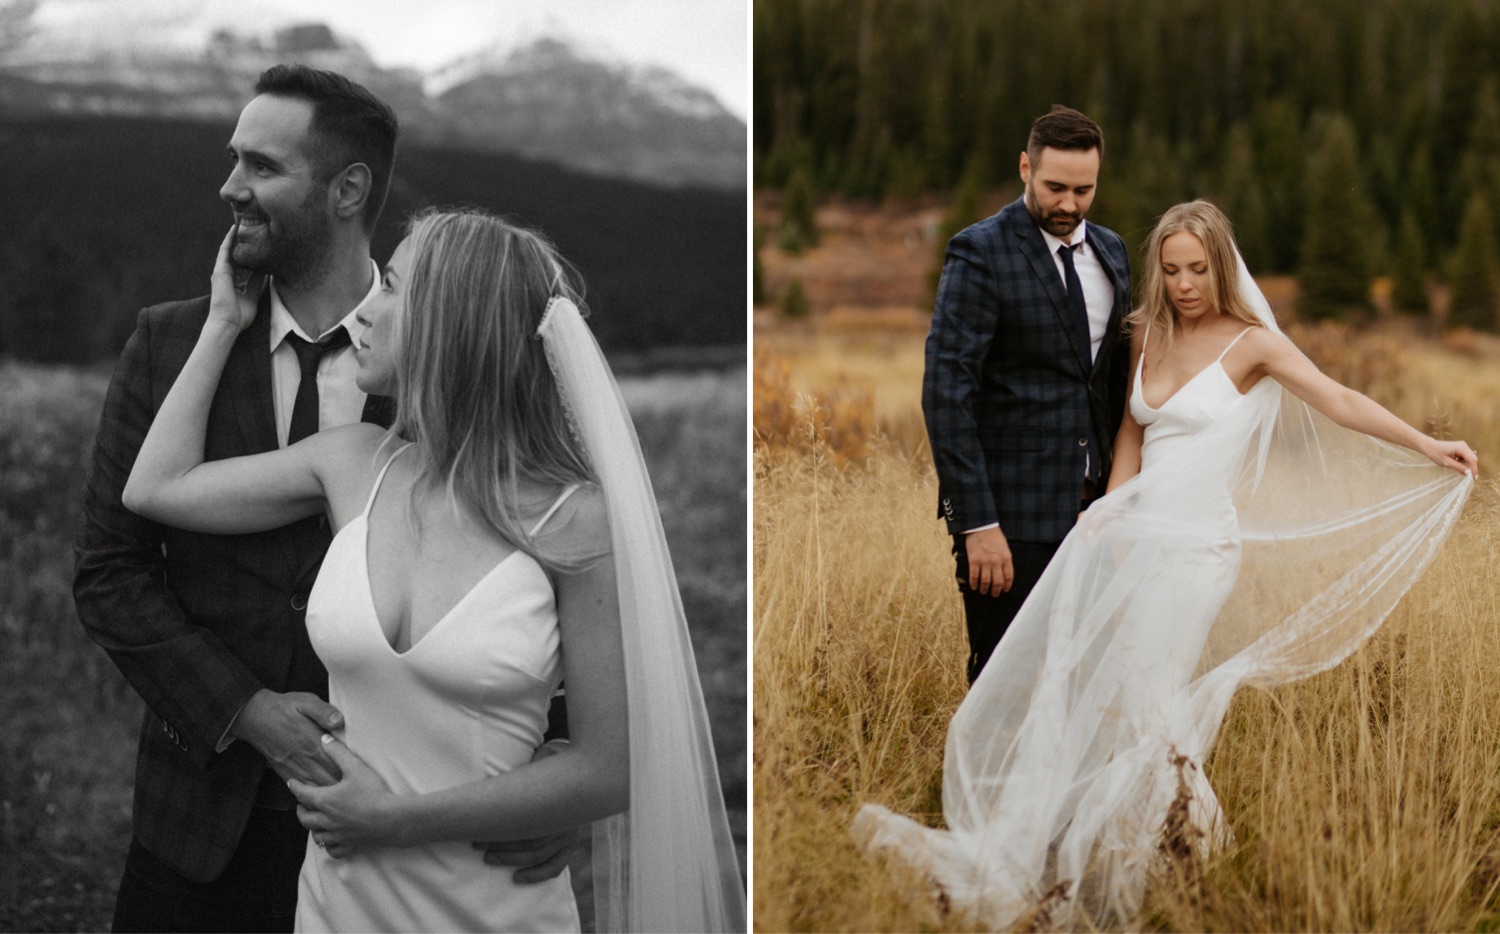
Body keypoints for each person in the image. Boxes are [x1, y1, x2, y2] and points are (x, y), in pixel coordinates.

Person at [120, 206, 745, 933]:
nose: (369, 307)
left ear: (449, 322)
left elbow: (610, 768)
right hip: (338, 904)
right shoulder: (352, 462)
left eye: (392, 287)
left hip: (494, 906)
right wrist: (224, 321)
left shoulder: (575, 522)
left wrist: (394, 820)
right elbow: (154, 489)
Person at [856, 200, 1476, 928]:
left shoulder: (1253, 345)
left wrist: (1429, 447)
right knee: (1113, 693)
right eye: (1173, 269)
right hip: (1133, 537)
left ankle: (1190, 855)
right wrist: (1109, 512)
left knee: (1148, 700)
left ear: (1221, 263)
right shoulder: (1145, 332)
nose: (1185, 284)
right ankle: (1146, 848)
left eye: (1199, 269)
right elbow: (1129, 432)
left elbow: (1339, 401)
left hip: (1196, 551)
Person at [73, 64, 568, 933]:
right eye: (234, 161)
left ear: (347, 190)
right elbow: (109, 573)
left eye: (262, 167)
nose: (231, 187)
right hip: (203, 820)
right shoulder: (168, 344)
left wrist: (557, 763)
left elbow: (536, 576)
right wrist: (247, 711)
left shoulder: (457, 354)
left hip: (420, 837)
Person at [923, 105, 1133, 684]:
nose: (1069, 204)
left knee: (1087, 681)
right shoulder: (980, 251)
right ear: (1024, 168)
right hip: (1009, 518)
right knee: (1003, 683)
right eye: (1055, 187)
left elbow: (1111, 382)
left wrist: (1122, 496)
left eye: (1084, 190)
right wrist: (977, 523)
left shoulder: (1113, 253)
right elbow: (947, 392)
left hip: (1096, 511)